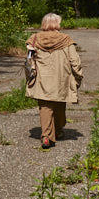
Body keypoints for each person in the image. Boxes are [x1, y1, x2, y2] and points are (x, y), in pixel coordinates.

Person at [26, 13, 83, 149]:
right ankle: (57, 130)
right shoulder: (66, 40)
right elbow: (75, 61)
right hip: (61, 79)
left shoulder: (34, 39)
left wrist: (29, 78)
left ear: (44, 24)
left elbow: (29, 61)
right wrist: (78, 77)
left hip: (42, 80)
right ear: (57, 24)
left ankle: (46, 136)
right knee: (59, 105)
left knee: (45, 106)